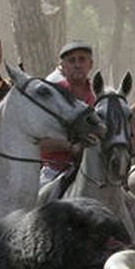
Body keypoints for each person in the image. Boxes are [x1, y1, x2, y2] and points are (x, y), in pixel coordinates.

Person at [39, 41, 95, 186]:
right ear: (63, 66)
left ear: (91, 64)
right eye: (71, 60)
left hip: (94, 174)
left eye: (82, 59)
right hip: (54, 171)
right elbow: (39, 142)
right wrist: (71, 147)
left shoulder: (99, 97)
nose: (77, 64)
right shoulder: (50, 97)